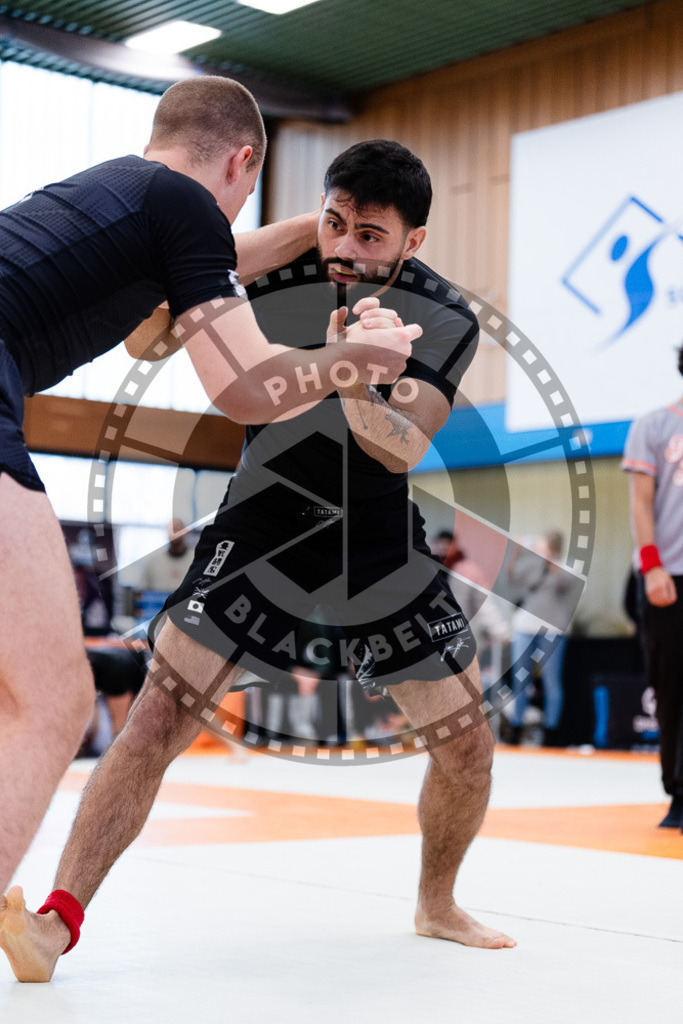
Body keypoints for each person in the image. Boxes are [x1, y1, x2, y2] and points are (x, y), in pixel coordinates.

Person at [0, 139, 514, 984]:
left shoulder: (443, 315)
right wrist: (290, 237)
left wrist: (356, 369)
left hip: (376, 541)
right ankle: (58, 922)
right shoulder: (279, 271)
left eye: (372, 236)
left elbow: (397, 448)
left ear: (412, 243)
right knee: (157, 722)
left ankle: (436, 902)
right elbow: (147, 341)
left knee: (467, 747)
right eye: (335, 220)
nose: (347, 247)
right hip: (262, 521)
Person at [0, 77, 420, 906]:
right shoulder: (186, 207)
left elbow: (183, 287)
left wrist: (325, 230)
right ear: (241, 163)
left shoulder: (113, 192)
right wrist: (364, 364)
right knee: (53, 704)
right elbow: (245, 391)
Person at [622, 343, 683, 829]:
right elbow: (642, 503)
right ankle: (678, 792)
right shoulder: (656, 425)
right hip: (671, 578)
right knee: (672, 687)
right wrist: (652, 566)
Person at [505, 530, 571, 747]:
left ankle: (552, 731)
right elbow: (511, 579)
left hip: (553, 629)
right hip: (525, 627)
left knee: (552, 681)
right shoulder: (532, 565)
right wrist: (517, 553)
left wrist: (550, 559)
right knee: (520, 679)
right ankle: (516, 726)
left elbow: (566, 586)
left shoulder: (566, 567)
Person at [139, 519, 196, 596]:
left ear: (186, 532)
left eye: (178, 529)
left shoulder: (197, 560)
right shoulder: (154, 562)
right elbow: (141, 594)